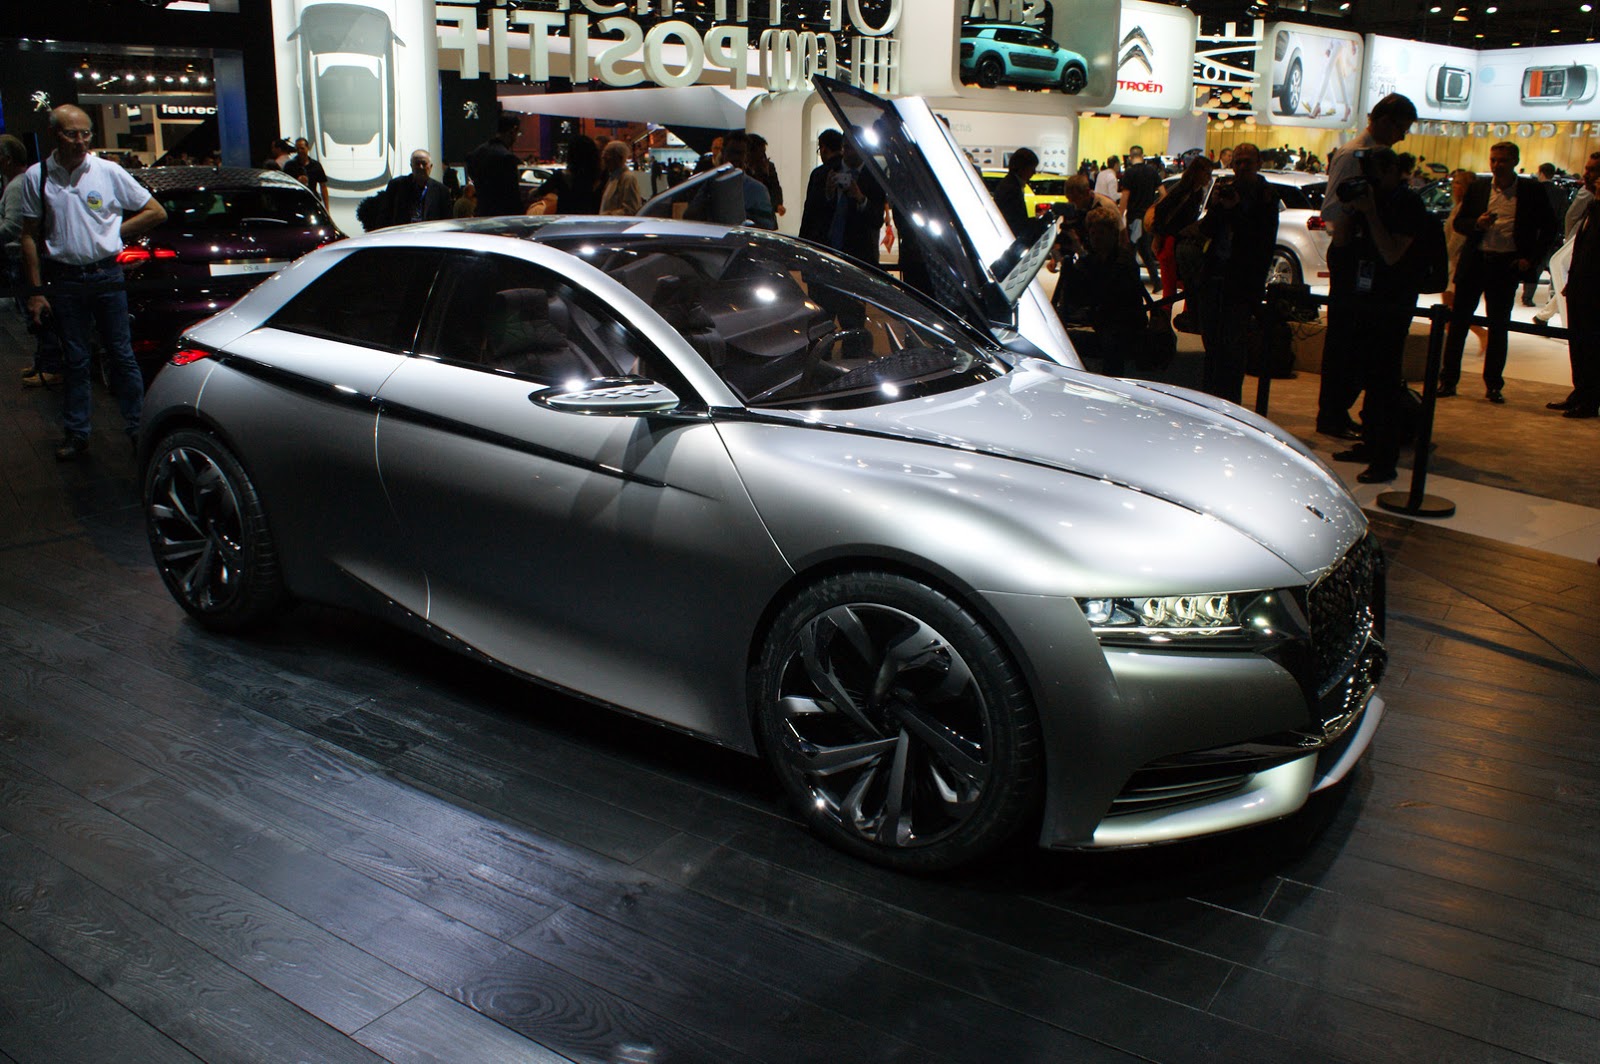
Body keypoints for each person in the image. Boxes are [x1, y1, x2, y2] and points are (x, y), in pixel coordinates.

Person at [17, 104, 167, 461]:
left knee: (122, 355)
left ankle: (137, 429)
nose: (81, 141)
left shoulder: (107, 171)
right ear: (54, 134)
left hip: (106, 275)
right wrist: (36, 292)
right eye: (72, 134)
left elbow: (155, 211)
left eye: (86, 133)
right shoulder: (38, 176)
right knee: (76, 359)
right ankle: (77, 432)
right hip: (64, 278)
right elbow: (29, 235)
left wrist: (113, 233)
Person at [1317, 92, 1417, 439]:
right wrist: (1359, 212)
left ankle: (1340, 410)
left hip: (1368, 260)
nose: (1402, 137)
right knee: (1345, 342)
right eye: (1401, 128)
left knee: (1360, 343)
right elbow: (1332, 209)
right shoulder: (1353, 156)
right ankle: (1332, 413)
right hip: (1351, 256)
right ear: (1385, 121)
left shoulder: (1372, 155)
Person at [1332, 148, 1432, 483]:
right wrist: (1349, 209)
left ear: (1391, 171)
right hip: (1363, 299)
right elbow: (1342, 243)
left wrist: (1372, 213)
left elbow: (1391, 254)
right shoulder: (1368, 202)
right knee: (1364, 374)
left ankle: (1385, 459)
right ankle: (1370, 443)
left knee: (1384, 382)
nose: (1369, 181)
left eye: (1373, 174)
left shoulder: (1407, 203)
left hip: (1392, 304)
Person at [1437, 140, 1557, 402]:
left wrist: (1531, 259)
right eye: (1493, 160)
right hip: (1475, 261)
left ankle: (1493, 385)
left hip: (1506, 265)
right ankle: (1448, 380)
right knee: (1458, 323)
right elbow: (1459, 223)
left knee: (1498, 326)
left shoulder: (1531, 190)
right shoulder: (1479, 187)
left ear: (1515, 162)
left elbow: (1550, 227)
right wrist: (1477, 224)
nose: (1496, 165)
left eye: (1502, 160)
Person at [1195, 142, 1278, 405]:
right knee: (1212, 345)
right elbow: (1207, 229)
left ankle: (1230, 404)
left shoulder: (1266, 196)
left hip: (1241, 283)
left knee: (1233, 348)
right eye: (1238, 162)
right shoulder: (1227, 190)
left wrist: (1236, 210)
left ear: (1258, 164)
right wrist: (1218, 206)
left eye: (1247, 162)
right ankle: (1208, 401)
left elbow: (1259, 241)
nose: (1242, 167)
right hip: (1214, 279)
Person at [2, 134, 66, 389]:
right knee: (33, 314)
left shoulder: (17, 186)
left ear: (7, 159)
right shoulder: (19, 182)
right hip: (19, 257)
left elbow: (12, 227)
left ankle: (51, 366)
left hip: (21, 257)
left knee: (36, 314)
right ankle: (43, 363)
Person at [1062, 205, 1147, 377]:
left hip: (1123, 328)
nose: (1096, 238)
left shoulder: (1123, 262)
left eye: (1101, 233)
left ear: (1113, 234)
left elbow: (1107, 294)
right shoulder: (1094, 259)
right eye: (1093, 233)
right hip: (1105, 324)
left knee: (1111, 342)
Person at [1552, 150, 1600, 419]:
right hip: (1581, 287)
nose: (1586, 175)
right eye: (1587, 169)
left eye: (1594, 171)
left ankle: (1589, 399)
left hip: (1596, 291)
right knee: (1578, 343)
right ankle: (1580, 393)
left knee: (1592, 347)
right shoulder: (1592, 206)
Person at [799, 129, 884, 265]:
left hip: (858, 257)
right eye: (847, 147)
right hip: (823, 250)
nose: (850, 153)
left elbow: (877, 220)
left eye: (854, 148)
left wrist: (861, 199)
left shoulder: (874, 178)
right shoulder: (822, 174)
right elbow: (810, 214)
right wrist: (828, 194)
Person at [1149, 154, 1214, 307]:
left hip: (1181, 243)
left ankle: (1182, 316)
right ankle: (1166, 316)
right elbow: (1161, 211)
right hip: (1170, 241)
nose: (1209, 178)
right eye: (1207, 173)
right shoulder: (1183, 191)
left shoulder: (1196, 193)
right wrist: (1158, 237)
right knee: (1171, 287)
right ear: (1198, 172)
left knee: (1185, 285)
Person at [1441, 168, 1489, 354]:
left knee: (1452, 309)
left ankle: (1479, 334)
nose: (1454, 186)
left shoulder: (1463, 209)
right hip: (1454, 262)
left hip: (1456, 263)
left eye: (1458, 183)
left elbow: (1457, 239)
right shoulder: (1459, 207)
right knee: (1450, 309)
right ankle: (1449, 346)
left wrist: (1442, 257)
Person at [1523, 162, 1568, 306]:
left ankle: (1527, 297)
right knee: (1555, 266)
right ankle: (1553, 297)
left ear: (1541, 173)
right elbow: (1563, 214)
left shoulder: (1533, 190)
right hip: (1553, 235)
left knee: (1534, 266)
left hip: (1535, 234)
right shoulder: (1560, 193)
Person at [528, 134, 602, 216]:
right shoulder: (598, 178)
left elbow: (537, 193)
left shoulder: (560, 176)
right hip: (589, 219)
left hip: (564, 218)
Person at [1119, 144, 1162, 287]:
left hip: (1134, 218)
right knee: (1144, 249)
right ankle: (1156, 281)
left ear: (1130, 157)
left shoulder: (1129, 173)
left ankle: (1129, 281)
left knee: (1130, 250)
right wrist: (1156, 209)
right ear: (1142, 156)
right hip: (1148, 218)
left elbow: (1125, 196)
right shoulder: (1152, 171)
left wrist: (1119, 215)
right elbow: (1163, 193)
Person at [467, 112, 524, 217]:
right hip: (502, 218)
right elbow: (513, 196)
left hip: (481, 213)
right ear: (513, 131)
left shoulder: (477, 153)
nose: (516, 138)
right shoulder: (507, 158)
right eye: (517, 133)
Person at [379, 149, 451, 227]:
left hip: (430, 233)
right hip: (403, 232)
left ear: (431, 166)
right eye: (417, 164)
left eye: (424, 163)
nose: (420, 167)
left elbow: (446, 221)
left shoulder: (442, 191)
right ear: (411, 166)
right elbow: (385, 215)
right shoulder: (396, 186)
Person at [992, 147, 1037, 236]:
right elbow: (1015, 220)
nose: (1034, 172)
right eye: (1032, 168)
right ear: (1022, 168)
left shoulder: (1011, 184)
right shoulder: (1011, 188)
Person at [598, 140, 643, 216]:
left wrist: (607, 215)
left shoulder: (628, 179)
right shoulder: (612, 178)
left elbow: (631, 209)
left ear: (619, 158)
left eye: (607, 154)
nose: (603, 157)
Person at [283, 137, 329, 210]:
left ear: (308, 148)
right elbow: (284, 185)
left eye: (302, 148)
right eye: (297, 149)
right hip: (296, 202)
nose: (299, 151)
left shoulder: (316, 165)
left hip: (312, 201)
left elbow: (323, 186)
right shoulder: (289, 165)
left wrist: (326, 208)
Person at [746, 133, 784, 219]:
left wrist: (777, 205)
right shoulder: (741, 169)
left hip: (765, 214)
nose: (764, 156)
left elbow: (775, 187)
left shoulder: (769, 167)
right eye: (761, 152)